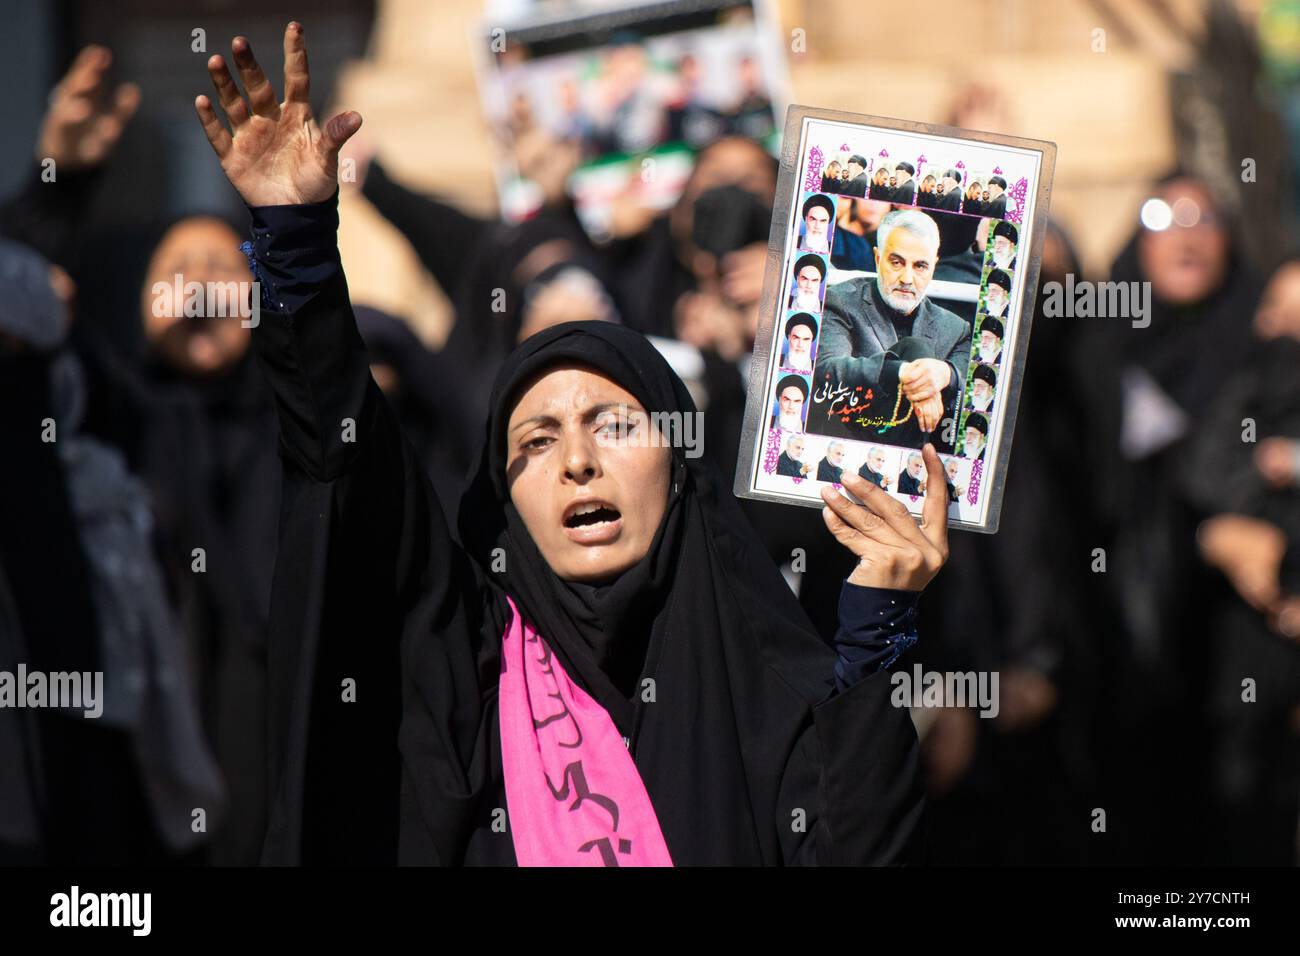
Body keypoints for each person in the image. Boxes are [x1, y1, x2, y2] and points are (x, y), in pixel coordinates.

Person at [192, 23, 951, 865]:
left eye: (616, 425)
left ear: (680, 460)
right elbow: (345, 456)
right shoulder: (463, 663)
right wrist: (295, 240)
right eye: (537, 439)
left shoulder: (765, 679)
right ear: (501, 491)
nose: (578, 463)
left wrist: (878, 622)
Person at [813, 209, 972, 447]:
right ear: (878, 259)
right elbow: (828, 370)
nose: (907, 278)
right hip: (851, 444)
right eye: (896, 262)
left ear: (933, 267)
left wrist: (943, 375)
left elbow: (974, 391)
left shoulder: (955, 328)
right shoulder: (840, 301)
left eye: (920, 266)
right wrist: (903, 373)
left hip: (921, 463)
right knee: (915, 348)